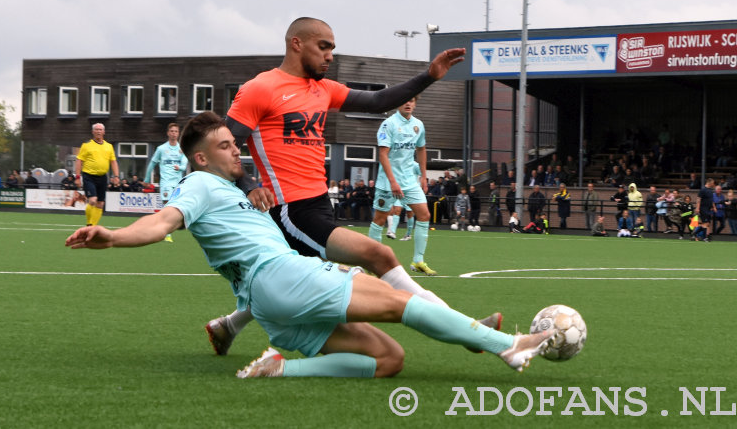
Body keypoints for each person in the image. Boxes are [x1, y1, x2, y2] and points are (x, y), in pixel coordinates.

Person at [64, 112, 553, 377]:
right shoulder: (199, 184)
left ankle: (279, 370)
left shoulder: (230, 192)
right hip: (280, 280)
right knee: (402, 304)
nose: (236, 149)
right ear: (200, 157)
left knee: (389, 360)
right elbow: (162, 222)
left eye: (235, 143)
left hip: (270, 305)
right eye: (225, 146)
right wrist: (112, 236)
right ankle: (507, 346)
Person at [207, 17, 469, 354]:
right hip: (289, 210)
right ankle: (462, 326)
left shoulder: (323, 89)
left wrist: (428, 77)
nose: (330, 55)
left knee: (290, 280)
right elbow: (224, 149)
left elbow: (377, 102)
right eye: (324, 46)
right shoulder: (260, 88)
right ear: (296, 44)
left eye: (332, 48)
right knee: (377, 254)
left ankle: (228, 325)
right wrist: (249, 184)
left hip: (319, 203)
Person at [369, 97, 435, 271]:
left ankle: (418, 261)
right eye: (405, 100)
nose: (408, 103)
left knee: (424, 215)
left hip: (409, 181)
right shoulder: (388, 124)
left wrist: (423, 176)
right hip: (387, 182)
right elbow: (383, 154)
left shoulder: (418, 125)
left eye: (412, 101)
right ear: (398, 103)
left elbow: (421, 149)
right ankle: (371, 261)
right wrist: (392, 182)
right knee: (380, 219)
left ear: (415, 103)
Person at [145, 122, 189, 242]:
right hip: (165, 182)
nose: (174, 133)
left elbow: (185, 163)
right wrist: (147, 179)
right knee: (167, 204)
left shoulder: (181, 149)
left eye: (176, 131)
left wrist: (180, 167)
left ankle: (166, 227)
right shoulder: (161, 149)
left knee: (175, 206)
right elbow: (152, 163)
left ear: (178, 133)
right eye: (172, 131)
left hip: (178, 182)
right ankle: (166, 232)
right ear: (168, 133)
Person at [74, 123, 119, 226]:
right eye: (96, 129)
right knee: (93, 200)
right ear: (93, 132)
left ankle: (92, 226)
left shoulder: (109, 146)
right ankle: (89, 224)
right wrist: (77, 177)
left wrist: (116, 176)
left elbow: (113, 161)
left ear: (104, 132)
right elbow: (79, 160)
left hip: (102, 177)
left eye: (100, 130)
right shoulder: (86, 145)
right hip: (89, 176)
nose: (98, 131)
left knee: (100, 204)